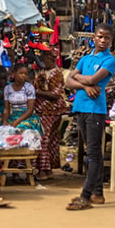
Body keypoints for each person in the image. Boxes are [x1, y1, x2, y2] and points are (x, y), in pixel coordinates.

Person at [65, 23, 115, 210]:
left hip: (96, 109)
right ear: (93, 37)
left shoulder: (110, 60)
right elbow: (68, 81)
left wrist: (82, 80)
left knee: (94, 153)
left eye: (107, 38)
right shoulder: (85, 59)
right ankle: (98, 193)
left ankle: (85, 195)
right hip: (81, 107)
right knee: (91, 151)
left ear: (111, 40)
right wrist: (85, 86)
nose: (103, 40)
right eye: (100, 36)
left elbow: (93, 79)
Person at [33, 48, 67, 180]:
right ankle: (47, 170)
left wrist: (36, 92)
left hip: (50, 110)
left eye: (44, 59)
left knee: (44, 139)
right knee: (49, 140)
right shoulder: (44, 71)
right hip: (44, 109)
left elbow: (55, 94)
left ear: (50, 59)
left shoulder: (56, 73)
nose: (42, 61)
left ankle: (43, 170)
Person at [0, 63, 41, 132]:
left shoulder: (29, 87)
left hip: (26, 117)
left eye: (25, 74)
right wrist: (5, 121)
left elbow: (30, 110)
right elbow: (6, 109)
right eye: (21, 73)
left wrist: (16, 122)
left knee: (19, 129)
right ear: (14, 73)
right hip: (13, 116)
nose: (23, 76)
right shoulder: (8, 88)